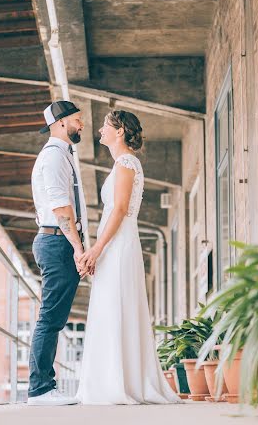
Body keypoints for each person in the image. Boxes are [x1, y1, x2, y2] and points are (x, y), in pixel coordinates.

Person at [76, 110, 183, 405]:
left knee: (116, 304)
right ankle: (113, 380)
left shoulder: (125, 163)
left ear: (120, 130)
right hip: (117, 242)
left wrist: (96, 249)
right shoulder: (121, 164)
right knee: (112, 305)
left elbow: (120, 210)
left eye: (105, 126)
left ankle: (120, 383)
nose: (99, 130)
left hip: (119, 243)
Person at [27, 100, 87, 406]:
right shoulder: (53, 158)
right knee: (50, 318)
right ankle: (40, 389)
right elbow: (61, 208)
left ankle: (42, 387)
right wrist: (78, 248)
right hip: (56, 241)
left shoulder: (62, 155)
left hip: (57, 240)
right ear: (61, 123)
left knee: (53, 317)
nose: (82, 124)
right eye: (78, 119)